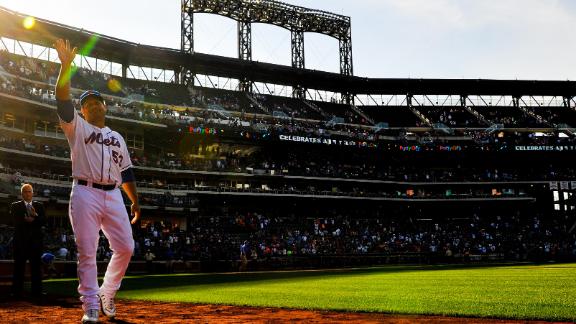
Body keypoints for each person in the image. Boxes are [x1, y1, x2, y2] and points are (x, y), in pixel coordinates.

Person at [54, 39, 141, 323]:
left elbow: (126, 172)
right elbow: (62, 100)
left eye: (96, 102)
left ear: (105, 106)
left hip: (114, 194)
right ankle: (90, 305)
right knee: (87, 251)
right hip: (85, 192)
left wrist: (135, 201)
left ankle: (107, 292)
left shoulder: (118, 138)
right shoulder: (76, 126)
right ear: (84, 110)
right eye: (87, 104)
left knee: (126, 247)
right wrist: (66, 67)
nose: (92, 106)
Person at [10, 183, 46, 299]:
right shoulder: (15, 206)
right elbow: (16, 222)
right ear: (21, 194)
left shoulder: (39, 206)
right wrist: (28, 220)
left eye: (29, 191)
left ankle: (37, 293)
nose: (27, 193)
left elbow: (43, 221)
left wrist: (34, 217)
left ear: (33, 193)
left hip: (35, 243)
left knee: (36, 269)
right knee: (18, 268)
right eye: (25, 191)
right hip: (20, 243)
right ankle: (17, 292)